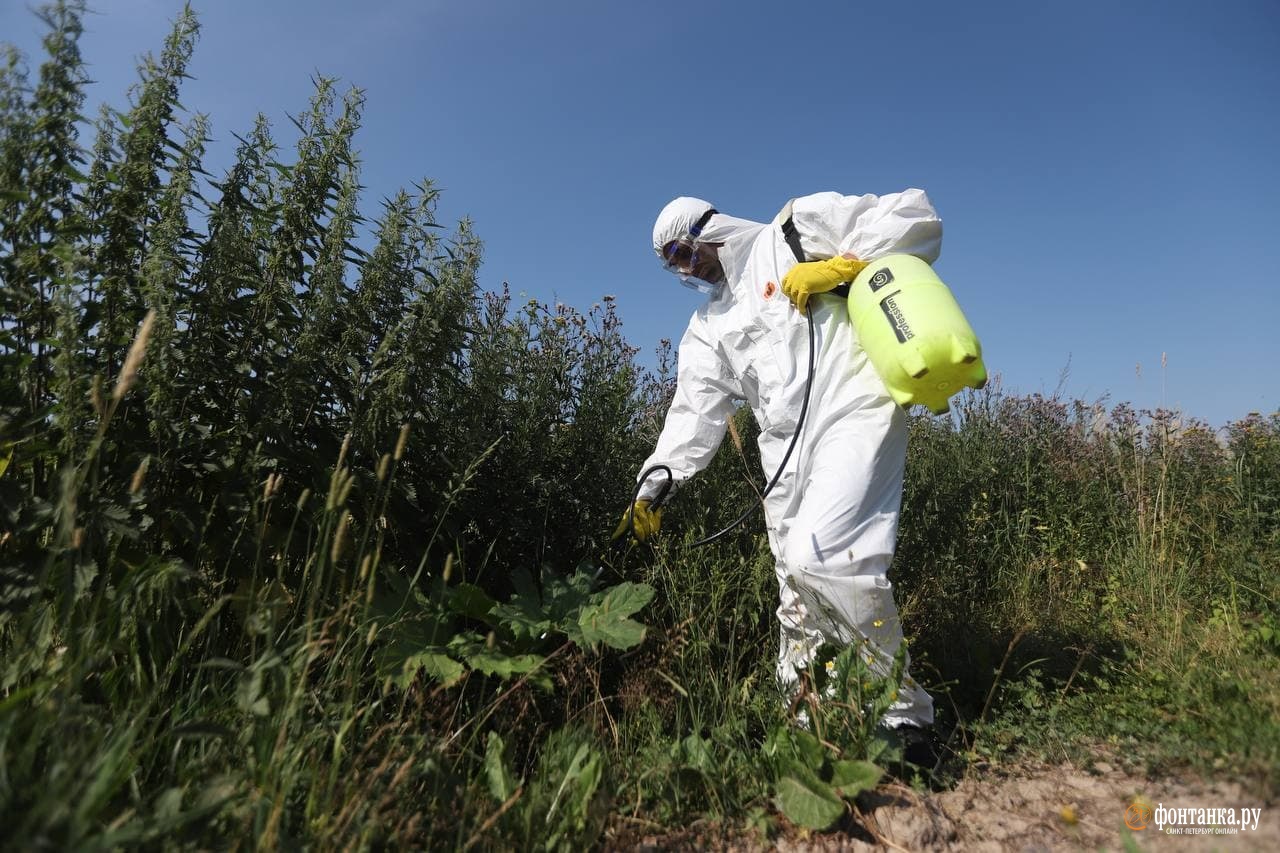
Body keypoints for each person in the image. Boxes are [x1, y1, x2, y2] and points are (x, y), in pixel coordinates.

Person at [617, 189, 942, 744]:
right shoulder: (707, 328)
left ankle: (903, 717)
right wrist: (654, 485)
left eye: (686, 253)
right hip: (783, 452)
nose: (688, 269)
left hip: (850, 410)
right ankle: (806, 710)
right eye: (675, 266)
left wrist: (843, 267)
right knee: (794, 588)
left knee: (828, 557)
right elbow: (694, 412)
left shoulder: (791, 232)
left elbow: (915, 217)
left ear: (709, 229)